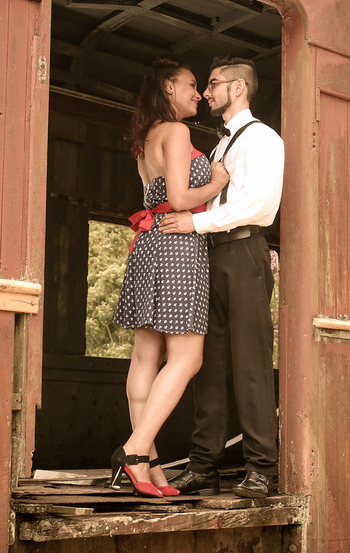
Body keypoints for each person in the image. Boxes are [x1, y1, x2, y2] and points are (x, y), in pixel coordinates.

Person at [160, 56, 284, 499]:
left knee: (250, 362)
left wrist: (197, 224)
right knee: (207, 365)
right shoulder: (218, 147)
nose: (206, 93)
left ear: (239, 89)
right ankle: (203, 466)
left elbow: (260, 206)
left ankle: (261, 469)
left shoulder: (263, 139)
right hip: (207, 255)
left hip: (244, 250)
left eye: (213, 84)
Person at [109, 56, 230, 498]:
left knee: (145, 358)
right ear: (167, 87)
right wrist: (216, 183)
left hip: (149, 244)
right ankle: (136, 449)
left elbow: (160, 196)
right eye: (192, 85)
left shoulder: (147, 139)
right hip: (177, 246)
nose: (198, 93)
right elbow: (180, 198)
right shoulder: (177, 132)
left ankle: (151, 466)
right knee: (187, 359)